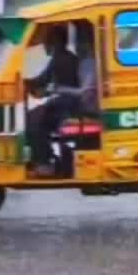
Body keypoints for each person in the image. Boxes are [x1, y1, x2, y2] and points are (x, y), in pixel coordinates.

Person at [24, 25, 81, 172]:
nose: (44, 45)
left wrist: (25, 82)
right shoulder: (65, 58)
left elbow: (42, 81)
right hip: (63, 103)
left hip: (66, 106)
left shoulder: (62, 59)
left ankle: (44, 160)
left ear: (55, 41)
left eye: (46, 41)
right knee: (36, 115)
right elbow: (41, 81)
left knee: (33, 120)